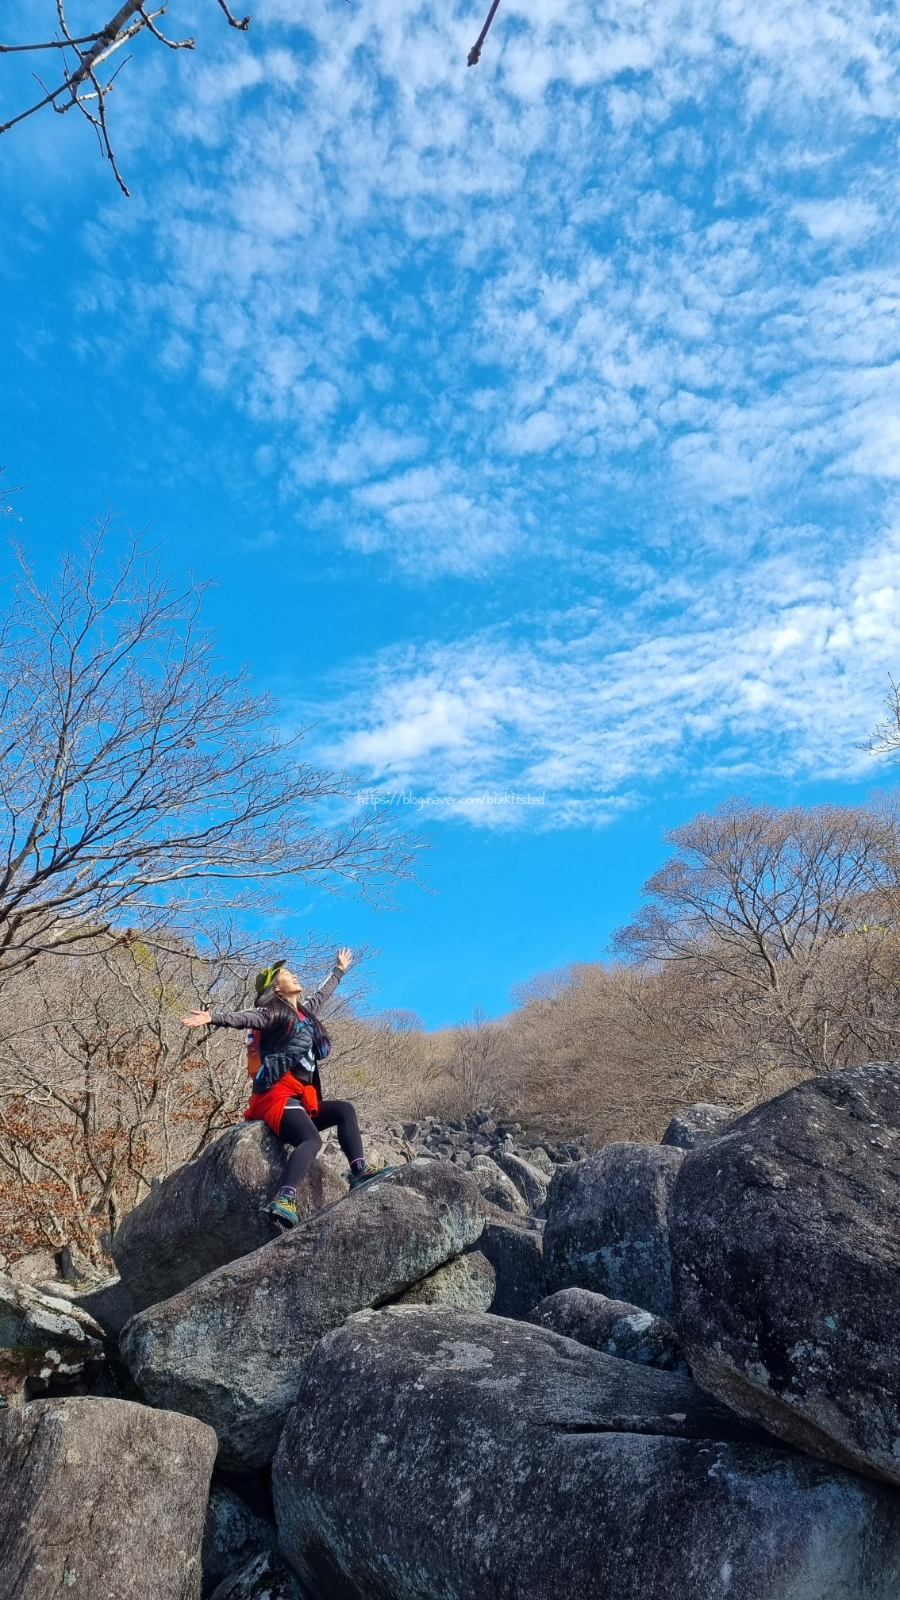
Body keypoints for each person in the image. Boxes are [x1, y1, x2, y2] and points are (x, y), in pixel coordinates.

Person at [181, 948, 393, 1227]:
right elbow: (246, 1018)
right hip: (275, 1095)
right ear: (276, 988)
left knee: (344, 1111)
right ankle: (285, 1198)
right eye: (285, 974)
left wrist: (339, 970)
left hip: (298, 1097)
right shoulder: (271, 1013)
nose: (293, 974)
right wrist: (214, 1017)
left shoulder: (304, 1013)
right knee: (312, 1140)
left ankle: (358, 1171)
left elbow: (322, 995)